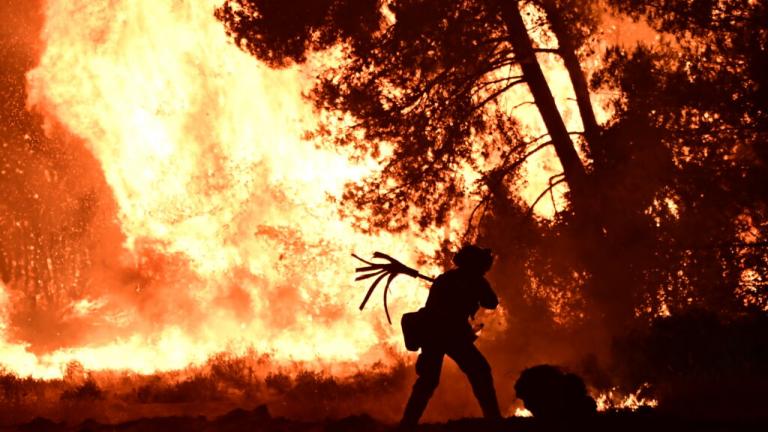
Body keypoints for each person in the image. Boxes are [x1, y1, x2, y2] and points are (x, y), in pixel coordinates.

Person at [400, 245, 502, 428]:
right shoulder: (476, 281)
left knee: (428, 380)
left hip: (434, 333)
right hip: (451, 335)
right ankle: (493, 419)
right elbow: (491, 302)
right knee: (480, 371)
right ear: (477, 264)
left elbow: (489, 302)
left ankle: (407, 423)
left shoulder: (445, 279)